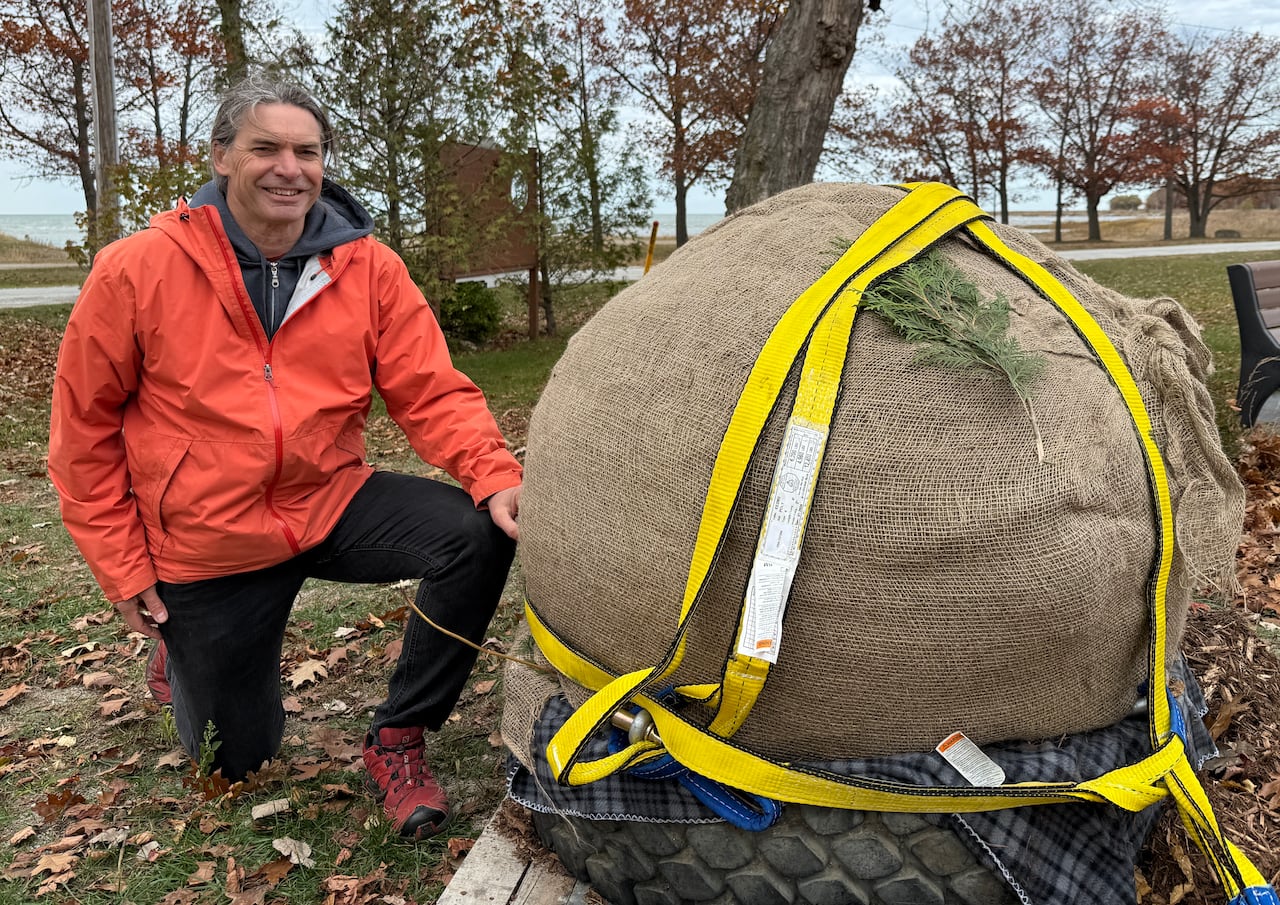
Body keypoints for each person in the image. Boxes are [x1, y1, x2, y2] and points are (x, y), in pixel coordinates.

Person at [47, 72, 522, 840]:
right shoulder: (136, 268)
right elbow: (82, 434)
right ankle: (181, 656)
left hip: (327, 500)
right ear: (221, 156)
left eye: (307, 151)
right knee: (237, 761)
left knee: (475, 532)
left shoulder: (367, 267)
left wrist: (493, 473)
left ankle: (399, 733)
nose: (289, 168)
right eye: (266, 147)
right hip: (209, 539)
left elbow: (431, 390)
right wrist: (123, 565)